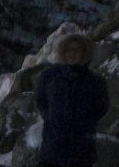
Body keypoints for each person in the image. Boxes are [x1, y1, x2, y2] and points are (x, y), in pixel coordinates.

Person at [35, 30, 110, 167]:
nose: (72, 53)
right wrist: (51, 118)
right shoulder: (49, 77)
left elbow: (102, 107)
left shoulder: (95, 81)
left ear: (84, 52)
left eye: (77, 50)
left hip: (81, 152)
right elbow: (41, 101)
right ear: (63, 52)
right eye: (68, 49)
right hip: (52, 151)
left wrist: (85, 124)